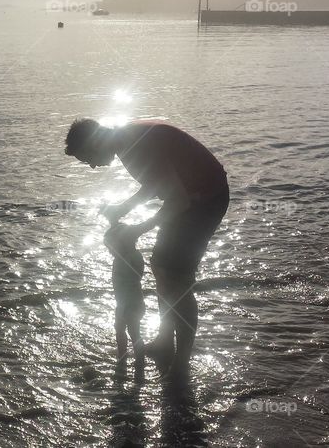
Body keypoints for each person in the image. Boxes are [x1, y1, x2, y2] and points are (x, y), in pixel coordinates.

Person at [64, 118, 229, 378]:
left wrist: (137, 229)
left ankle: (181, 363)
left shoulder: (135, 146)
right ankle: (165, 342)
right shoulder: (126, 142)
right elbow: (156, 183)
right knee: (161, 266)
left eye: (88, 158)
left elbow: (177, 199)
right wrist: (124, 207)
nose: (93, 166)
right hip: (190, 197)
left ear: (95, 142)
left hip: (206, 199)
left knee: (177, 278)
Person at [104, 222, 146, 379]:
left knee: (134, 332)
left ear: (124, 243)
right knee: (120, 330)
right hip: (122, 303)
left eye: (111, 247)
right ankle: (122, 357)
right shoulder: (120, 258)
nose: (109, 252)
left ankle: (139, 362)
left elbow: (136, 276)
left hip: (132, 303)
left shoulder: (132, 257)